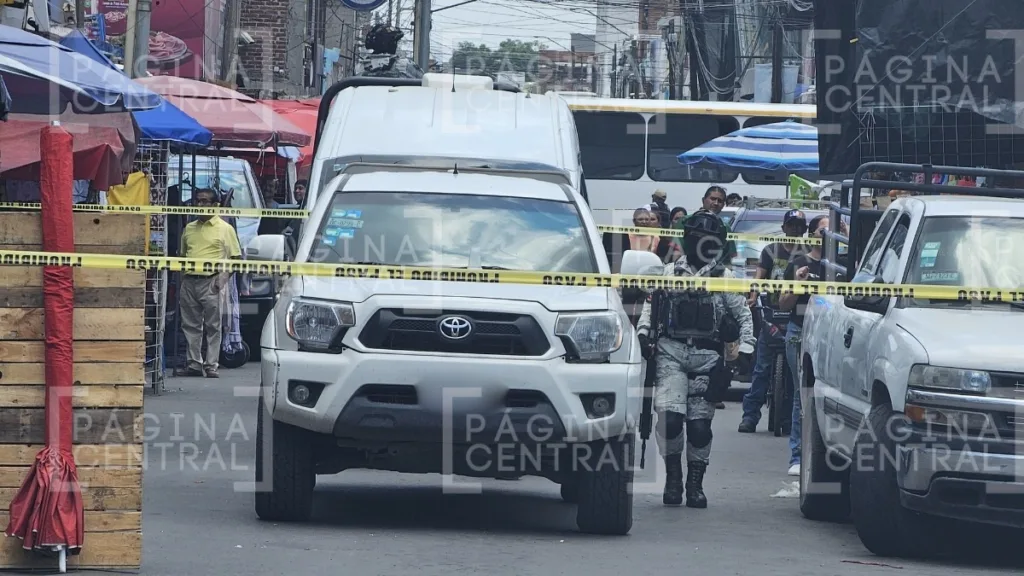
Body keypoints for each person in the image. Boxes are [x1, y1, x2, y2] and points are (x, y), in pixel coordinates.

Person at [636, 211, 756, 508]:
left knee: (700, 426)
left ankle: (695, 483)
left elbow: (743, 315)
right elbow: (652, 308)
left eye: (708, 240)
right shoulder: (668, 273)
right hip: (671, 352)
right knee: (670, 420)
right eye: (697, 238)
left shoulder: (725, 278)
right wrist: (642, 334)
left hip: (707, 356)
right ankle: (674, 477)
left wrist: (746, 349)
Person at [738, 209, 809, 433]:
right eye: (792, 226)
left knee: (792, 372)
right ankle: (750, 416)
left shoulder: (808, 255)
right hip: (772, 311)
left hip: (799, 314)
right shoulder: (770, 251)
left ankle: (788, 419)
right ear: (784, 228)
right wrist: (753, 296)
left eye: (800, 227)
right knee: (761, 369)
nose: (796, 230)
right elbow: (758, 278)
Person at [779, 215, 828, 475]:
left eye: (835, 229)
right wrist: (799, 285)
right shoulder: (799, 263)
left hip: (830, 335)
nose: (827, 235)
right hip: (800, 332)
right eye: (822, 230)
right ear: (811, 234)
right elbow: (783, 303)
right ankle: (797, 456)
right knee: (803, 393)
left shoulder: (845, 265)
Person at [177, 188, 242, 378]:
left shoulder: (225, 228)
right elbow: (182, 255)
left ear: (215, 205)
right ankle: (194, 364)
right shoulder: (189, 228)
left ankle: (211, 364)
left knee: (213, 326)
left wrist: (221, 280)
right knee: (190, 325)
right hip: (190, 282)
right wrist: (183, 279)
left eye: (206, 201)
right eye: (198, 201)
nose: (201, 205)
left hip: (211, 281)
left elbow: (236, 258)